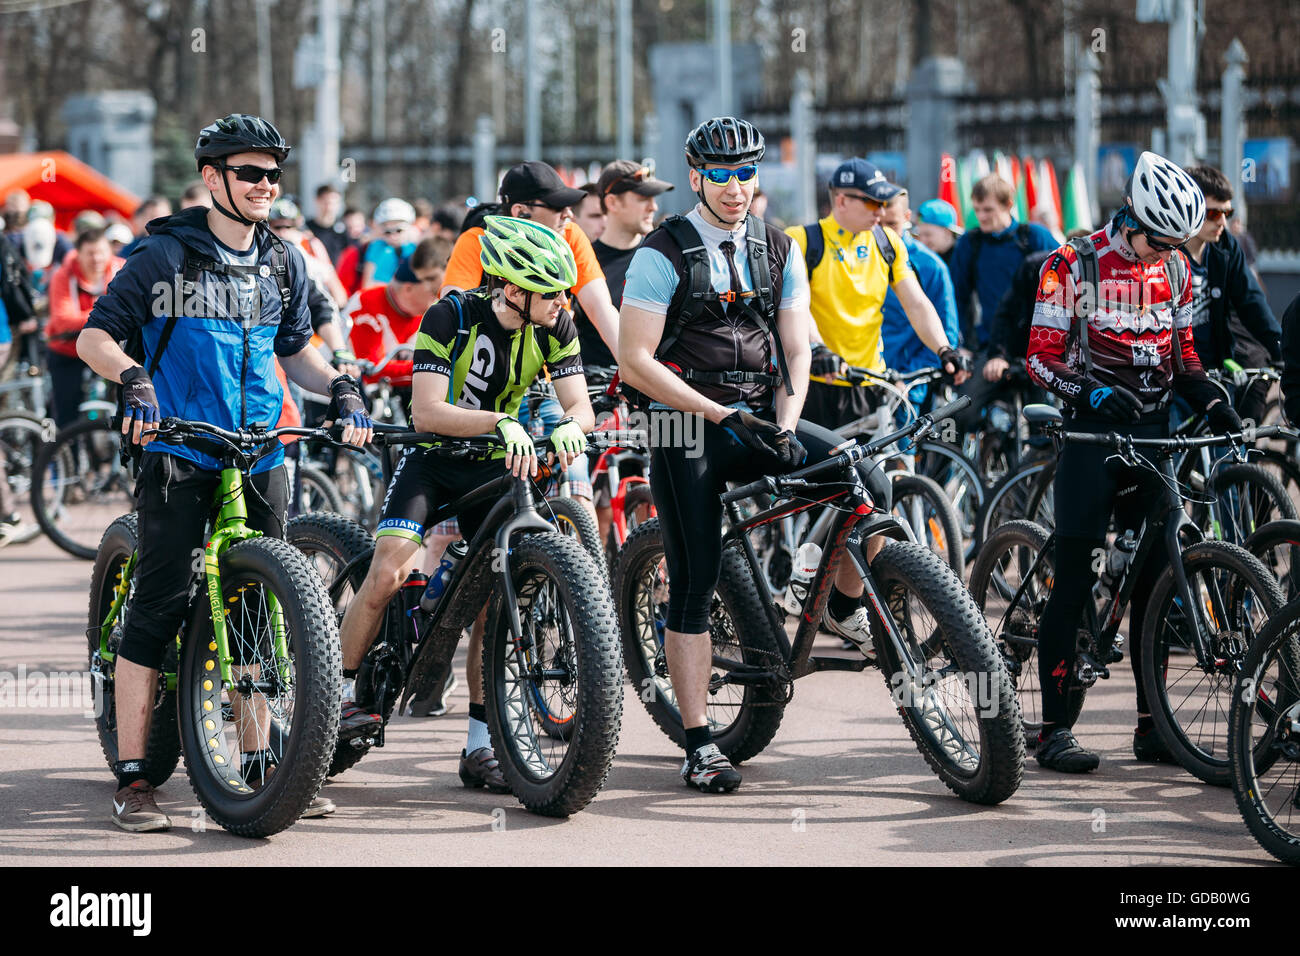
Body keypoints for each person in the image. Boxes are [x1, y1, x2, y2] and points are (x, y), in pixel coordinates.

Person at [76, 113, 373, 832]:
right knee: (159, 603)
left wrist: (337, 384)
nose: (265, 185)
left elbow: (296, 349)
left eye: (274, 174)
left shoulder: (284, 259)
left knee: (256, 610)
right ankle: (137, 776)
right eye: (250, 173)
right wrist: (133, 378)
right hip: (179, 447)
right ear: (213, 179)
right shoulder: (163, 258)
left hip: (263, 449)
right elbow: (94, 335)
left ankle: (262, 762)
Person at [618, 117, 901, 793]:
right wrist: (718, 412)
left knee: (865, 479)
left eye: (747, 173)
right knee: (694, 575)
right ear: (696, 178)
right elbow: (633, 361)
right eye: (721, 175)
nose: (736, 187)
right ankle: (697, 743)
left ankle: (835, 603)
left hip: (759, 416)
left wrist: (788, 418)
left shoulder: (777, 246)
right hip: (683, 424)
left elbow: (796, 345)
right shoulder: (662, 252)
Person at [336, 215, 593, 791]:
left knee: (488, 600)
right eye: (550, 291)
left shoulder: (558, 324)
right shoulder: (449, 315)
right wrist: (500, 420)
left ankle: (480, 744)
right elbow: (425, 410)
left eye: (564, 291)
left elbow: (580, 404)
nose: (561, 301)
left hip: (497, 462)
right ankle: (343, 695)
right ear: (512, 289)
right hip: (435, 458)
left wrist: (572, 427)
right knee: (387, 573)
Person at [1025, 150, 1239, 773]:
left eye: (1178, 244)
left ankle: (1154, 726)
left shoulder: (1174, 268)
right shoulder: (1072, 263)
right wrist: (1088, 391)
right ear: (1131, 219)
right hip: (1092, 440)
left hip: (1152, 439)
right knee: (1075, 580)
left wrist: (1213, 400)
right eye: (1158, 242)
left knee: (1157, 581)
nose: (1166, 254)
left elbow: (1186, 358)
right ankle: (1053, 731)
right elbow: (1040, 357)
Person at [441, 160, 622, 523]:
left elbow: (603, 311)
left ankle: (581, 576)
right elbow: (452, 314)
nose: (569, 214)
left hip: (544, 385)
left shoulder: (569, 236)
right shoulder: (477, 240)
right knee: (449, 531)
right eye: (557, 207)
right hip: (479, 389)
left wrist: (640, 373)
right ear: (521, 211)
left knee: (577, 497)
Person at [784, 159, 968, 437]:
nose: (881, 212)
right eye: (872, 203)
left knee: (875, 479)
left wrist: (944, 349)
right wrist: (818, 347)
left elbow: (916, 304)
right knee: (817, 478)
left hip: (870, 382)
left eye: (883, 204)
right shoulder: (801, 240)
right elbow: (797, 305)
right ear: (842, 200)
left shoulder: (887, 243)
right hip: (815, 381)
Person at [577, 159, 674, 541]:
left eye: (654, 199)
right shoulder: (586, 262)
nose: (652, 206)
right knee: (595, 514)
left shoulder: (664, 255)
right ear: (612, 202)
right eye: (641, 197)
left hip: (656, 396)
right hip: (595, 396)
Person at [1180, 164, 1281, 425]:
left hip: (1215, 369)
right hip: (1178, 377)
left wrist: (1281, 349)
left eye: (1227, 212)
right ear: (1191, 206)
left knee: (1229, 449)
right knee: (1172, 455)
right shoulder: (1168, 254)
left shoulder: (1226, 247)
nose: (1222, 222)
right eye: (1214, 213)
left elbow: (1252, 302)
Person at [951, 174, 1057, 350]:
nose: (981, 216)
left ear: (1008, 205)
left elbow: (1067, 280)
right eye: (977, 210)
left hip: (1036, 343)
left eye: (988, 210)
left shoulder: (1034, 237)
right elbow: (957, 297)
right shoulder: (970, 243)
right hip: (990, 344)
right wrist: (962, 345)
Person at [878, 187, 960, 406]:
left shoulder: (930, 266)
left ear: (907, 218)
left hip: (905, 389)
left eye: (892, 225)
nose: (884, 233)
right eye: (879, 224)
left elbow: (946, 334)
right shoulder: (857, 258)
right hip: (861, 382)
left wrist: (909, 379)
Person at [344, 236, 448, 392]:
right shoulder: (366, 303)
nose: (437, 299)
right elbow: (370, 372)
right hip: (328, 399)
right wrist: (433, 368)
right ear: (408, 289)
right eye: (433, 292)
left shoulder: (420, 314)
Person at [44, 227, 124, 427]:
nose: (96, 259)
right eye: (90, 253)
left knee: (128, 399)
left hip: (109, 348)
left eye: (101, 252)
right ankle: (61, 454)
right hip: (68, 350)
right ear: (78, 254)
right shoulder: (63, 276)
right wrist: (109, 313)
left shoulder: (122, 270)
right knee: (65, 412)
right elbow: (63, 320)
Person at [358, 198, 418, 290]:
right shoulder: (376, 247)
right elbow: (367, 285)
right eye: (387, 232)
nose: (393, 236)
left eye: (399, 230)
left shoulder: (414, 248)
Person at [912, 198, 962, 272]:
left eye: (927, 235)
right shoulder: (922, 257)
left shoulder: (965, 258)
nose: (922, 241)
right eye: (919, 235)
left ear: (947, 233)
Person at [305, 183, 350, 265]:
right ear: (317, 201)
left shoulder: (343, 230)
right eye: (326, 202)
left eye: (334, 203)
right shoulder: (306, 228)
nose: (329, 207)